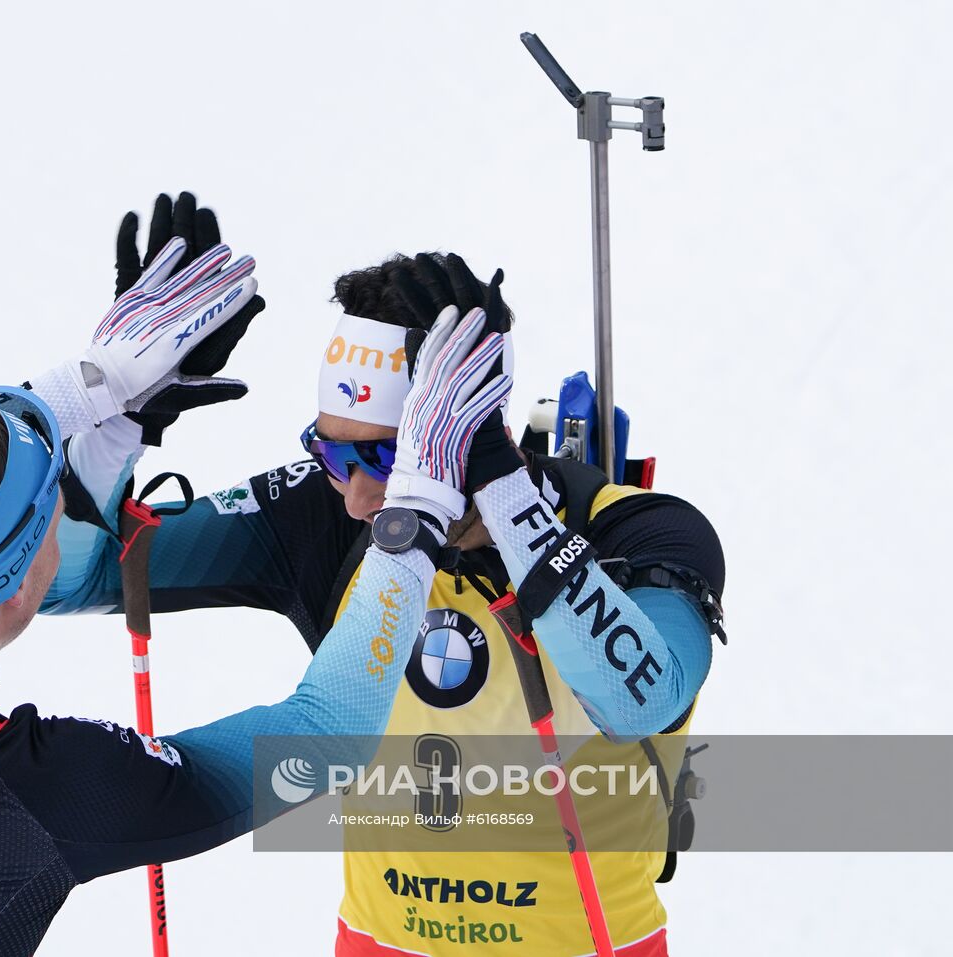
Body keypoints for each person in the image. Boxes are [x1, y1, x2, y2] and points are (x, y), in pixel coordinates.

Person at [0, 225, 515, 957]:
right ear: (17, 581)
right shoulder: (28, 788)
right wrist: (415, 505)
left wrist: (73, 395)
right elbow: (326, 736)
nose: (72, 513)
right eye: (54, 501)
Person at [39, 195, 727, 956]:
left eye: (388, 461)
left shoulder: (632, 526)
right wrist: (109, 423)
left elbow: (644, 699)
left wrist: (505, 494)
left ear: (473, 427)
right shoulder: (322, 513)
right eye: (333, 456)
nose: (362, 497)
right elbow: (73, 575)